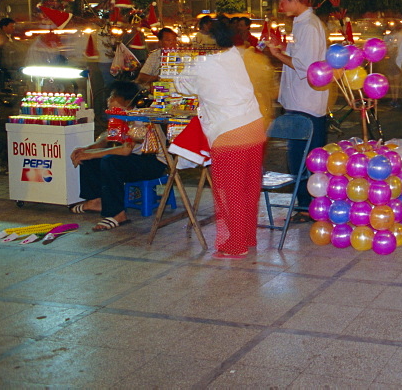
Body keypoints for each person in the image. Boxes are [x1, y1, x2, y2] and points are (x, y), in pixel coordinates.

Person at [175, 17, 266, 258]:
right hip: (254, 126)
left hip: (229, 133)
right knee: (248, 187)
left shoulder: (200, 64)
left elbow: (181, 86)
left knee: (231, 191)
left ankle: (236, 244)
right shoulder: (234, 55)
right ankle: (248, 236)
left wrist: (188, 62)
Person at [266, 0, 330, 214]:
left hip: (306, 106)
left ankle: (307, 206)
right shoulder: (302, 24)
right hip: (300, 103)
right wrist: (282, 50)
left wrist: (277, 55)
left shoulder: (308, 26)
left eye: (283, 1)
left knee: (303, 161)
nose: (280, 6)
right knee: (299, 159)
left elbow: (305, 67)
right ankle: (305, 205)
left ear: (295, 0)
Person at [69, 81, 166, 231]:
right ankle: (96, 201)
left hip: (153, 162)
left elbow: (125, 151)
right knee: (88, 159)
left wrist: (91, 154)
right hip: (134, 159)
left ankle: (117, 214)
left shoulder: (139, 118)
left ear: (127, 101)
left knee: (110, 161)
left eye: (113, 96)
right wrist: (86, 150)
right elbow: (107, 138)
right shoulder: (119, 116)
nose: (109, 100)